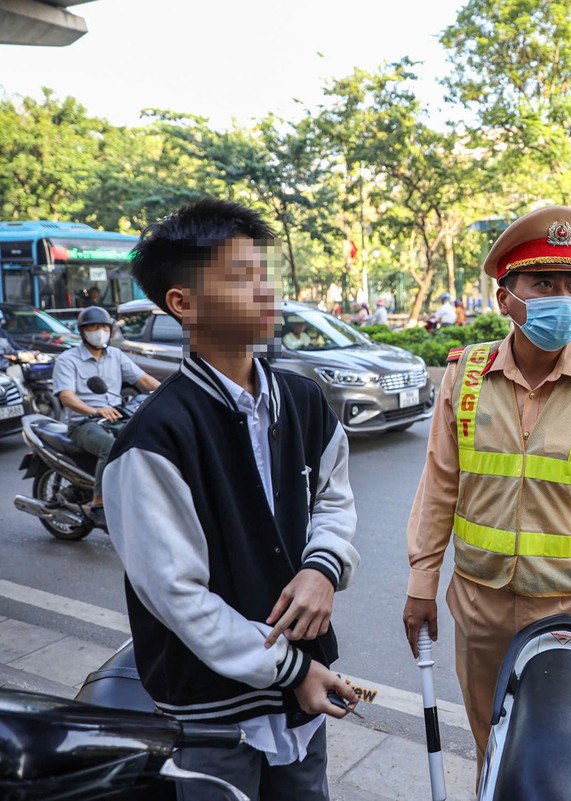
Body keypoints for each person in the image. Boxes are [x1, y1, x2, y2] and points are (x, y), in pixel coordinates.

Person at [105, 198, 361, 801]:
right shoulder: (153, 439)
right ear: (182, 304)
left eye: (263, 272)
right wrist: (292, 671)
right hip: (212, 714)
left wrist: (322, 569)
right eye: (240, 277)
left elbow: (334, 498)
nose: (265, 289)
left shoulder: (302, 400)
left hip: (305, 694)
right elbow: (179, 596)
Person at [402, 205, 571, 776]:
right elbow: (440, 486)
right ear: (506, 299)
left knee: (567, 759)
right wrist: (422, 582)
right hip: (480, 607)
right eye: (543, 282)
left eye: (570, 284)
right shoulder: (464, 377)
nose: (562, 297)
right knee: (492, 751)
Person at [51, 306, 160, 527]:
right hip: (83, 422)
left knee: (150, 438)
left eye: (103, 327)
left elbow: (143, 379)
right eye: (93, 327)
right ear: (83, 332)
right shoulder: (68, 359)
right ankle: (98, 504)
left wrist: (171, 394)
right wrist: (95, 410)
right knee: (110, 447)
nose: (99, 331)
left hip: (115, 416)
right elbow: (67, 397)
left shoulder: (116, 355)